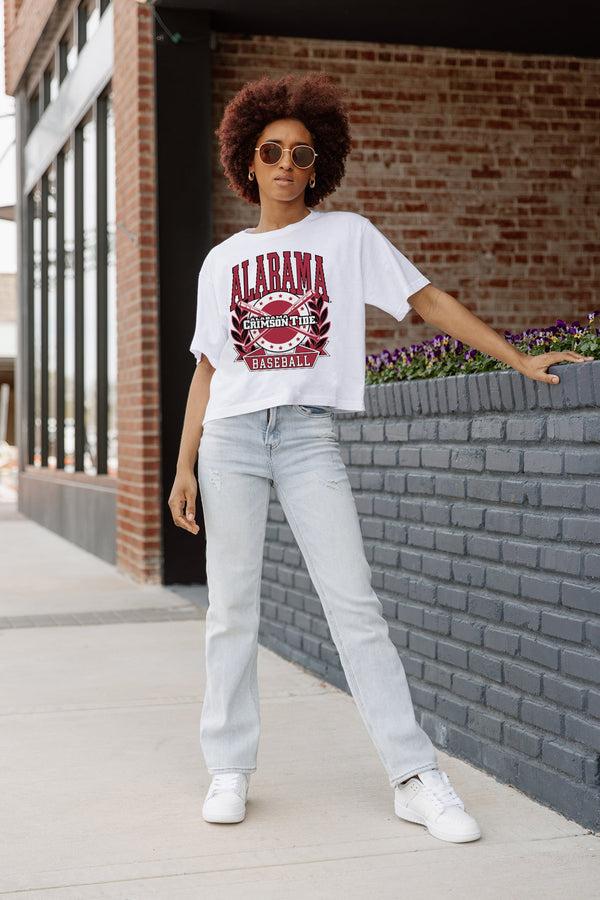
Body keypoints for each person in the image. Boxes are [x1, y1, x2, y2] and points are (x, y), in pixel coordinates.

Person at [168, 72, 592, 843]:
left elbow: (427, 301)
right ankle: (228, 766)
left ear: (318, 164)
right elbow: (207, 367)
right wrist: (183, 466)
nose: (288, 165)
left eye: (303, 153)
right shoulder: (222, 260)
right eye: (272, 151)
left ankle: (412, 775)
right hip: (229, 440)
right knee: (231, 608)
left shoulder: (348, 236)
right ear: (248, 162)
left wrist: (517, 358)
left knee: (354, 606)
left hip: (306, 437)